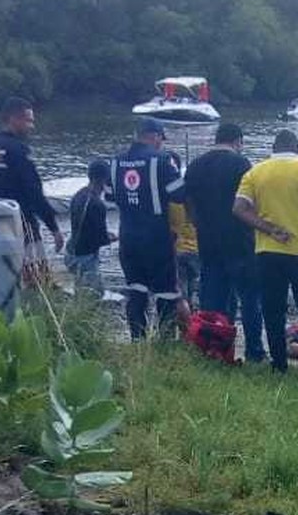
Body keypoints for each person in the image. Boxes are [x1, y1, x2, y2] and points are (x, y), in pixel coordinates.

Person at [232, 129, 298, 383]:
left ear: (273, 148)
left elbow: (239, 209)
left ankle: (278, 364)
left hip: (268, 251)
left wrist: (268, 228)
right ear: (296, 147)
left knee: (273, 310)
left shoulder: (255, 172)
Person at [184, 123, 266, 363]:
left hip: (208, 242)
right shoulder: (241, 165)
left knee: (213, 301)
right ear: (238, 141)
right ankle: (254, 351)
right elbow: (251, 203)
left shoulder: (195, 165)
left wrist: (196, 221)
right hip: (239, 241)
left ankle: (215, 350)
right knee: (250, 299)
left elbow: (186, 201)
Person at [106, 118, 186, 340]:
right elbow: (179, 194)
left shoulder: (115, 162)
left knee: (136, 290)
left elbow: (110, 197)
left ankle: (137, 340)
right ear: (155, 136)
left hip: (128, 236)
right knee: (166, 293)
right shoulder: (162, 160)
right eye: (161, 139)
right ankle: (166, 342)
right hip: (157, 237)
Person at [0, 96, 64, 286]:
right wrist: (54, 228)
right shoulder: (18, 150)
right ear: (13, 119)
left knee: (2, 278)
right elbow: (33, 192)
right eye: (28, 120)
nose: (31, 126)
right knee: (37, 281)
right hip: (22, 224)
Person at [64, 159, 116, 294]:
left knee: (80, 291)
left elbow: (84, 226)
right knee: (95, 295)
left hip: (71, 251)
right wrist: (116, 237)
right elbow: (100, 239)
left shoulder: (79, 194)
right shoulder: (97, 204)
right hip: (85, 257)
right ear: (105, 179)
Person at [167, 152, 201, 308]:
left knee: (181, 294)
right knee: (196, 291)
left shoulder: (170, 200)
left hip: (177, 250)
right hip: (196, 250)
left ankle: (186, 325)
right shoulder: (197, 198)